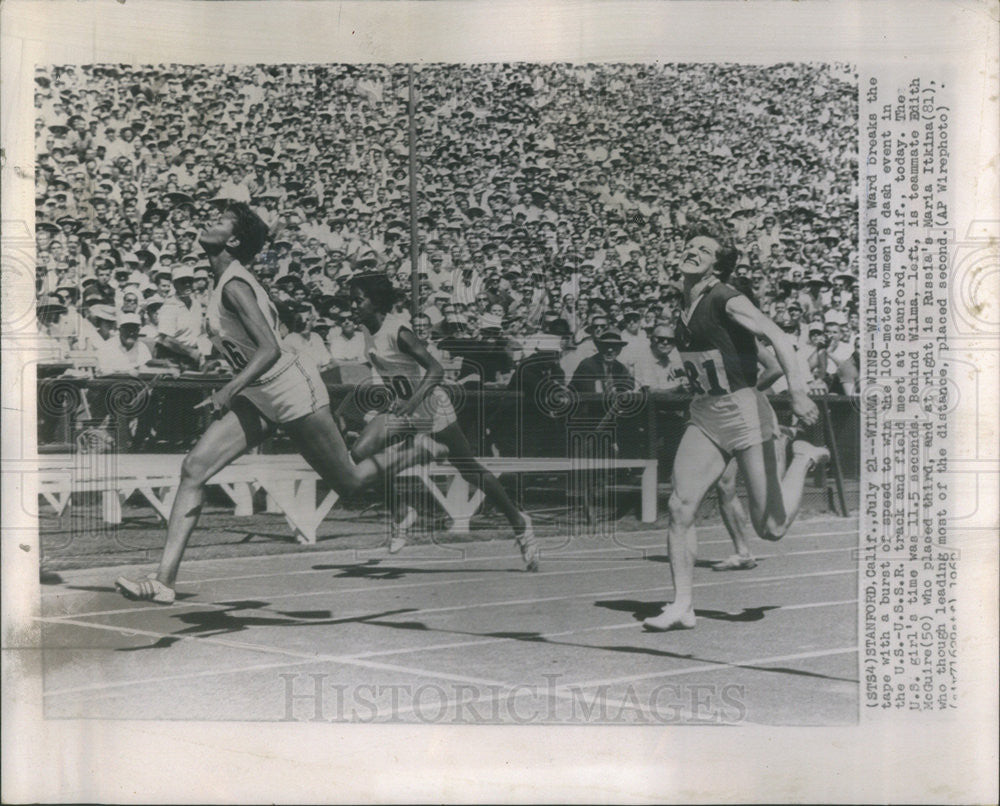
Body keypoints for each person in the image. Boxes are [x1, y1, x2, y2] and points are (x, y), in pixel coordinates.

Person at [115, 204, 447, 604]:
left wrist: (227, 390)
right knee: (193, 470)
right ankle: (164, 580)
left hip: (289, 388)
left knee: (350, 482)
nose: (208, 220)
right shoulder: (223, 282)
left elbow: (270, 349)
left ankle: (422, 450)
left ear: (234, 240)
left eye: (218, 220)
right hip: (258, 393)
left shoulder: (235, 285)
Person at [643, 222, 829, 632]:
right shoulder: (683, 303)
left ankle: (802, 459)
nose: (691, 251)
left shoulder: (726, 297)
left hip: (745, 413)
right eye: (689, 245)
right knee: (679, 505)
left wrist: (797, 393)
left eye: (703, 250)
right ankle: (682, 605)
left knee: (772, 529)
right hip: (706, 413)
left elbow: (779, 337)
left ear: (715, 266)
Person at [346, 272, 539, 570]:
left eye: (358, 300)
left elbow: (435, 370)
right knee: (359, 452)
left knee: (470, 470)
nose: (353, 306)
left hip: (432, 409)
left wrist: (411, 403)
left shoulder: (398, 331)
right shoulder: (367, 330)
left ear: (376, 302)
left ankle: (520, 524)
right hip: (403, 411)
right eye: (352, 300)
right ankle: (402, 512)